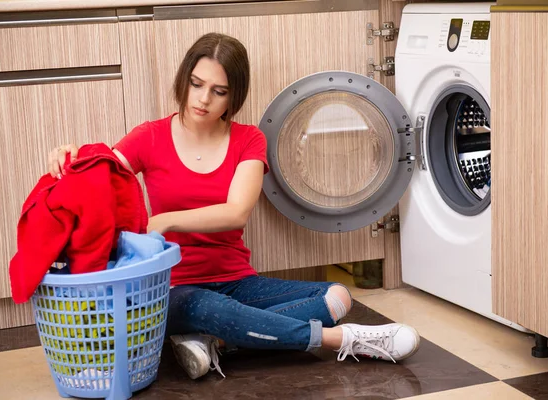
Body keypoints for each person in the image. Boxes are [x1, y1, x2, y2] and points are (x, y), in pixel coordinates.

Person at [47, 32, 420, 380]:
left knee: (337, 295)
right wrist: (73, 157)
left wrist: (164, 220)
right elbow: (101, 173)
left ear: (233, 95)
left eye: (218, 91)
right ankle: (343, 340)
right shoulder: (150, 136)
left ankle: (216, 341)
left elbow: (236, 210)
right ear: (184, 80)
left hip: (237, 280)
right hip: (175, 288)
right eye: (196, 84)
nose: (203, 99)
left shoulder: (248, 140)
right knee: (206, 308)